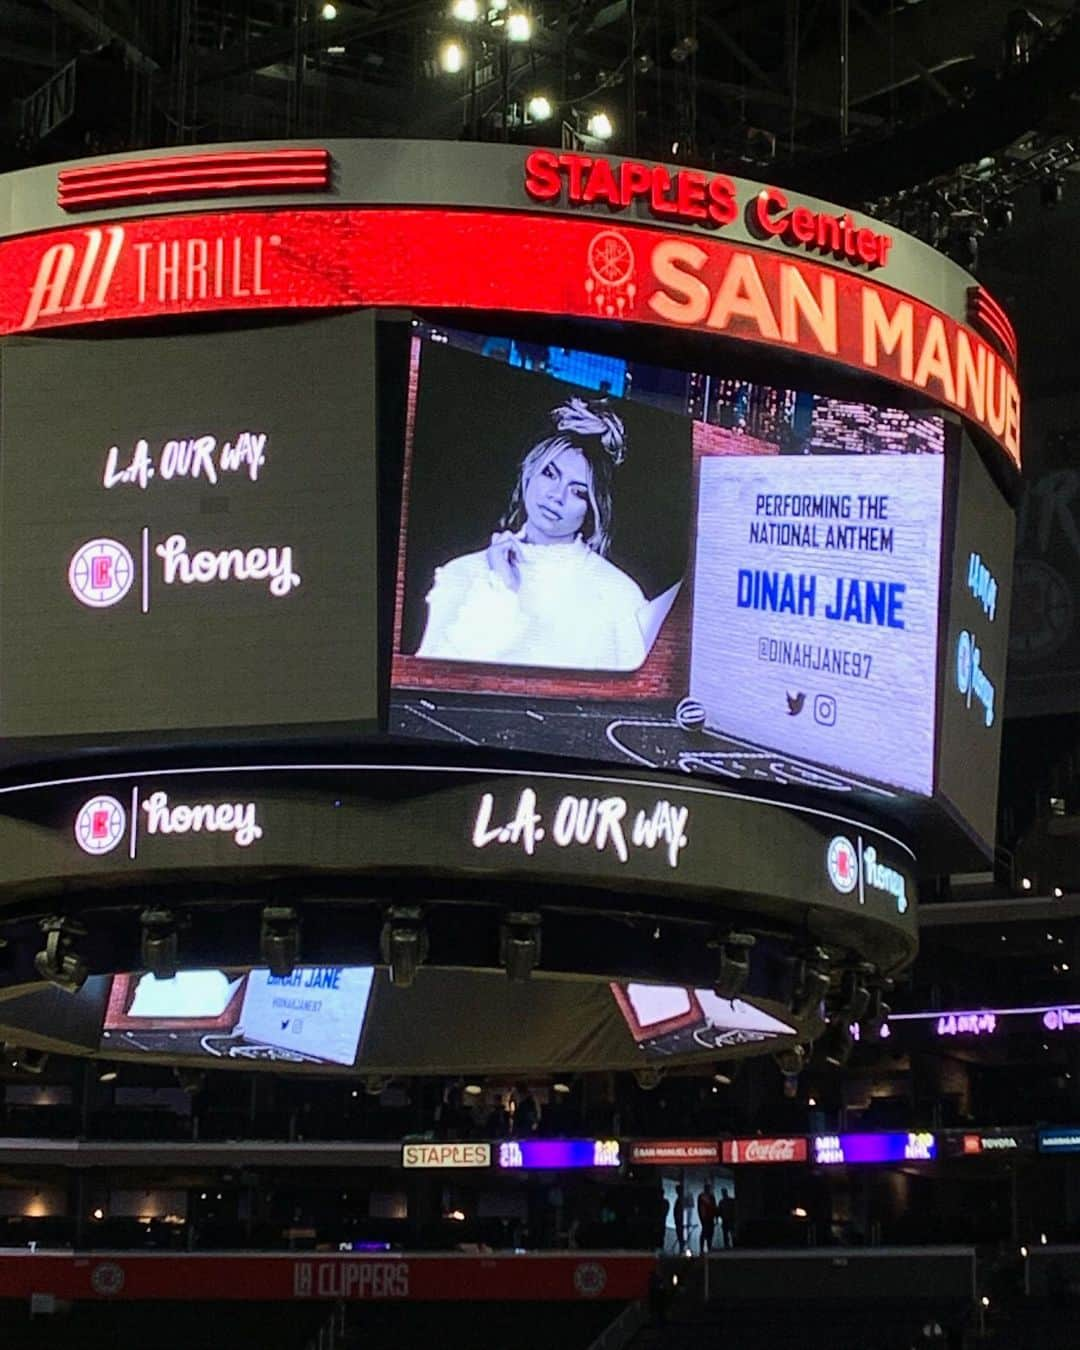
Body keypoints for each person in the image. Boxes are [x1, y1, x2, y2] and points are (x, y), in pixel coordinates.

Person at [415, 398, 652, 671]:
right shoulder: (464, 572)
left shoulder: (621, 597)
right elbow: (429, 684)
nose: (556, 496)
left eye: (578, 491)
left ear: (593, 508)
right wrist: (500, 589)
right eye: (550, 474)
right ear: (530, 472)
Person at [697, 1181, 718, 1255]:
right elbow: (700, 1209)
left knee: (710, 1233)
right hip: (705, 1218)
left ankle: (708, 1247)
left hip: (709, 1217)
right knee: (705, 1233)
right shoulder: (702, 1197)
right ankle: (702, 1249)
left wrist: (715, 1217)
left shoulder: (711, 1197)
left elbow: (714, 1208)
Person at [673, 1183, 687, 1252]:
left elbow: (679, 1211)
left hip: (680, 1221)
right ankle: (681, 1249)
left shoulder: (681, 1200)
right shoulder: (679, 1199)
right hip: (679, 1220)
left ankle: (682, 1249)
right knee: (680, 1235)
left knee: (680, 1235)